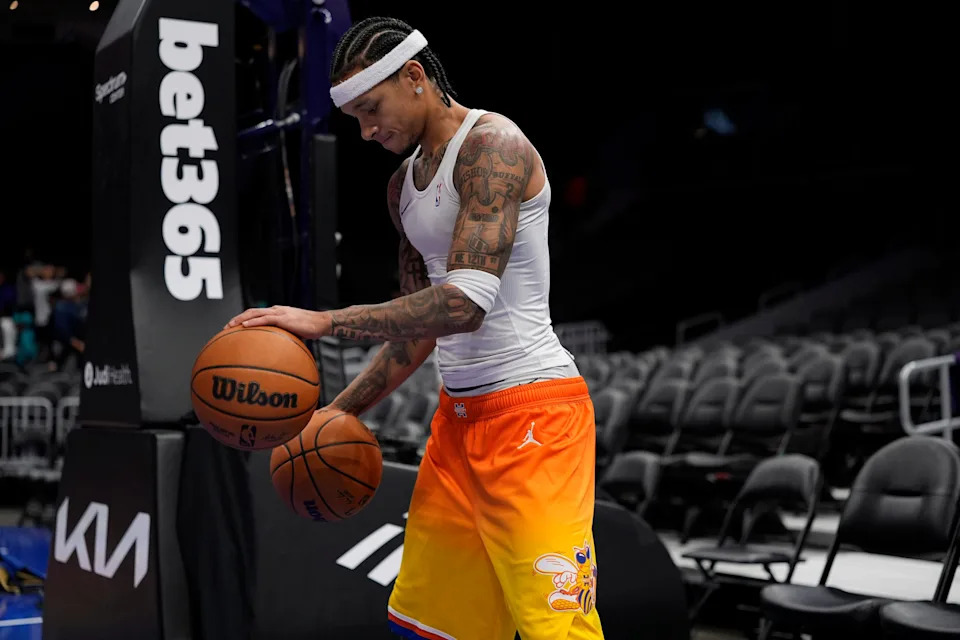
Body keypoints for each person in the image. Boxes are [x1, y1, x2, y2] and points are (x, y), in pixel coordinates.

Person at [227, 16, 603, 640]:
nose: (369, 131)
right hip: (457, 420)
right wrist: (336, 413)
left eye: (373, 110)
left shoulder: (494, 147)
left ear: (414, 77)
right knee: (429, 625)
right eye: (357, 121)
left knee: (556, 631)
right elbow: (417, 331)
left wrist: (324, 321)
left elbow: (462, 305)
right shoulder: (402, 186)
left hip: (535, 416)